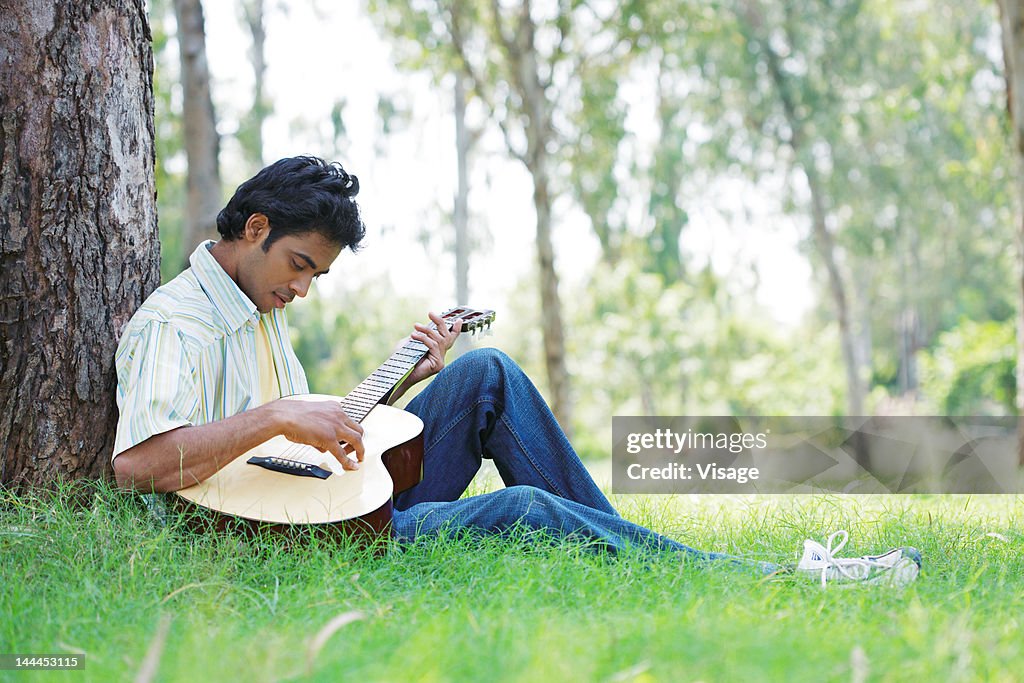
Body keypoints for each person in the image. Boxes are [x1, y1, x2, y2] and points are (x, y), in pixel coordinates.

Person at [112, 156, 919, 584]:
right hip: (275, 544)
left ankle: (629, 547)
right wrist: (279, 417)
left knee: (486, 369)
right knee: (523, 508)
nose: (302, 288)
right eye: (298, 265)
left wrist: (410, 379)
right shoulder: (173, 322)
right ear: (253, 228)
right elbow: (137, 463)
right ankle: (768, 577)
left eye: (316, 275)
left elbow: (305, 446)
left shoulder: (260, 311)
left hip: (321, 502)